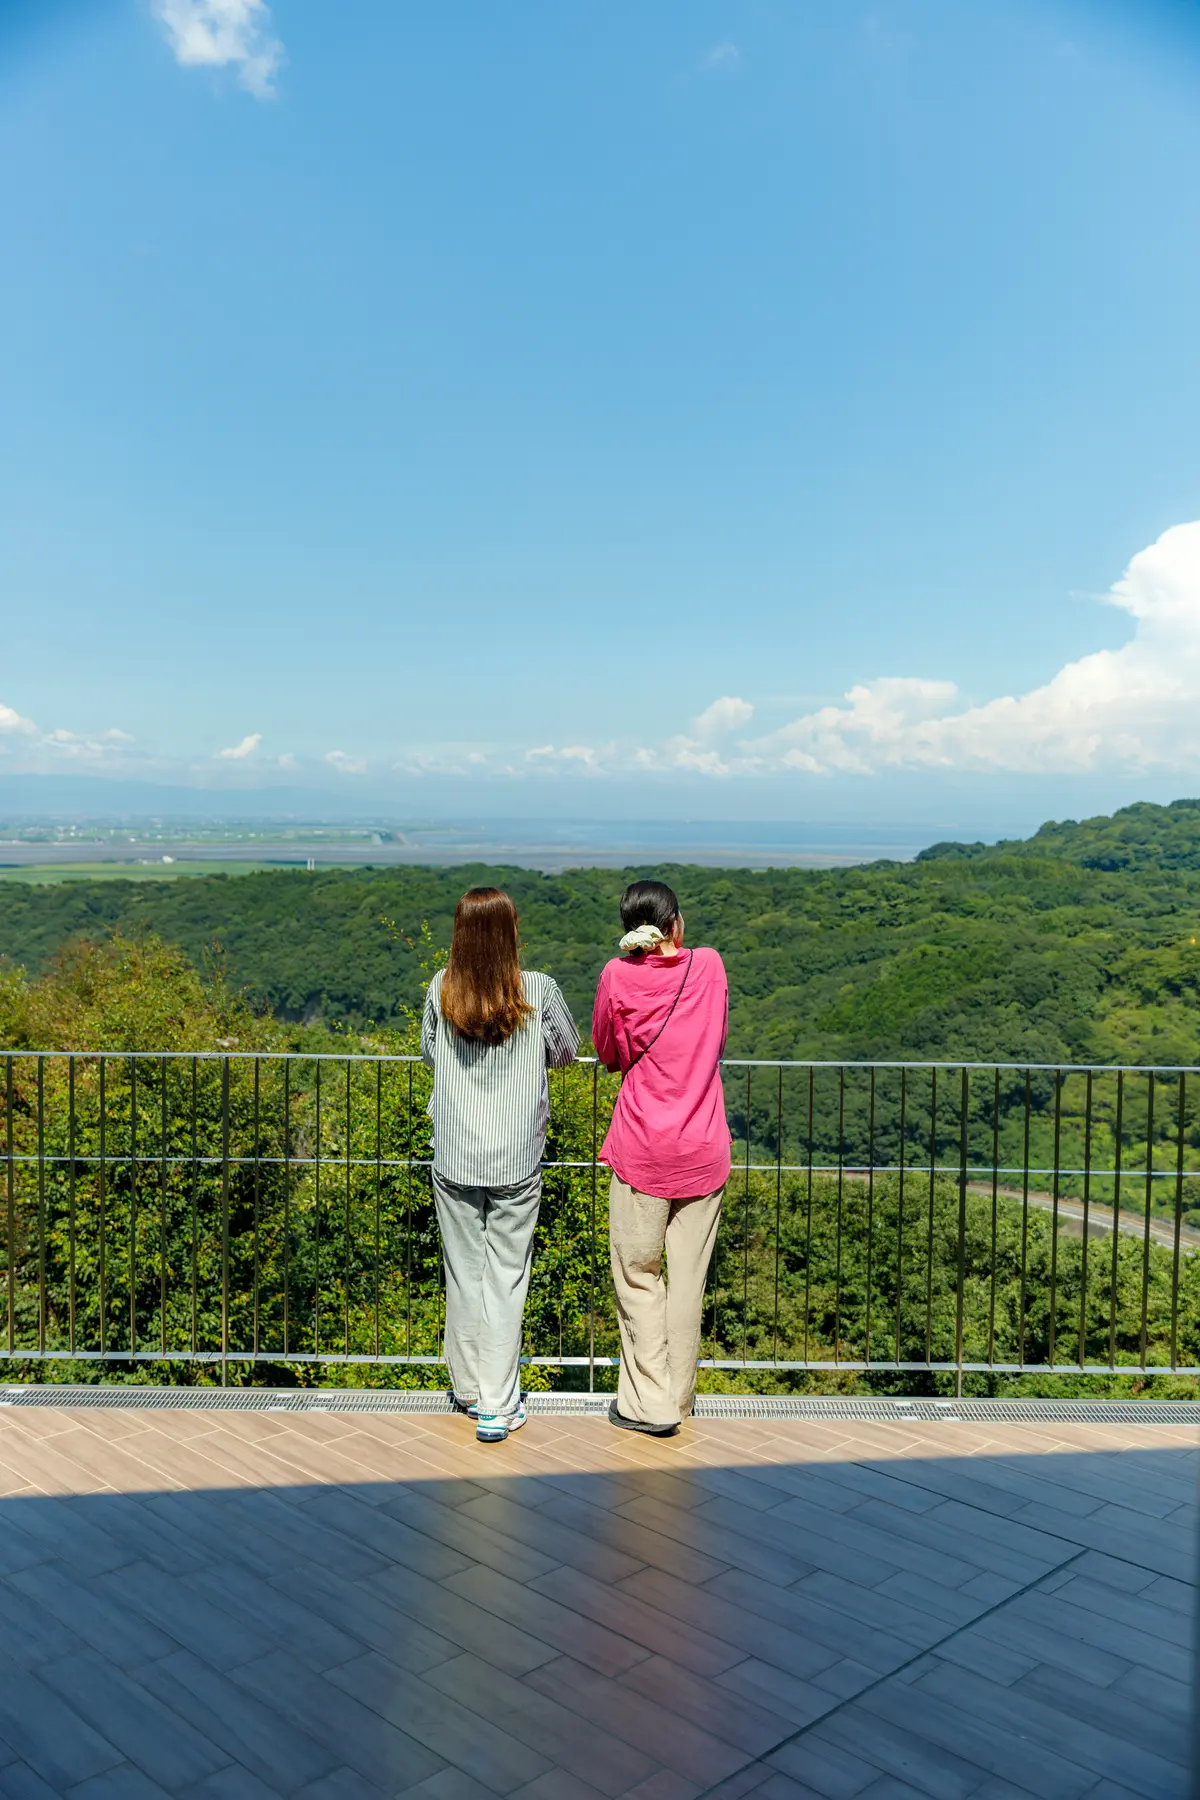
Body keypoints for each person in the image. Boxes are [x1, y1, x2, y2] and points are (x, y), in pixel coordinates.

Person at [422, 887, 579, 1443]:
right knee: (506, 1279)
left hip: (456, 1153)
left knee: (464, 1274)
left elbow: (429, 1053)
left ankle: (467, 1388)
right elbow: (566, 1052)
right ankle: (496, 1402)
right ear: (511, 932)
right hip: (516, 1156)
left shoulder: (441, 990)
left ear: (460, 935)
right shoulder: (537, 990)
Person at [592, 879, 730, 1436]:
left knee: (637, 1275)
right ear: (676, 921)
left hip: (642, 1148)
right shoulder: (712, 966)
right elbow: (716, 1039)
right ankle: (678, 1397)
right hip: (703, 1147)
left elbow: (609, 1052)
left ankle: (649, 1404)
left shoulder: (615, 976)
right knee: (687, 1280)